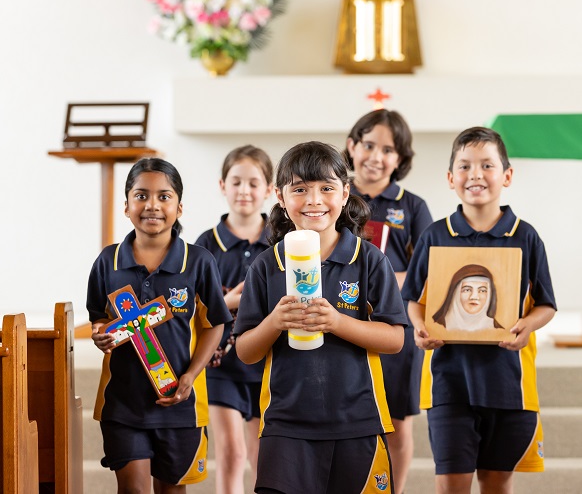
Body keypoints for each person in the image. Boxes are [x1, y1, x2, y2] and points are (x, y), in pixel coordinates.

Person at [234, 141, 408, 494]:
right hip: (286, 425)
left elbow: (395, 339)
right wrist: (274, 322)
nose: (313, 200)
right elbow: (245, 351)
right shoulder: (267, 265)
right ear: (280, 198)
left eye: (326, 188)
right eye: (300, 189)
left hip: (357, 421)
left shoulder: (369, 259)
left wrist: (337, 322)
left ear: (345, 194)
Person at [402, 127, 557, 494]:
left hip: (510, 386)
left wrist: (525, 327)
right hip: (447, 384)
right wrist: (419, 328)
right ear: (450, 178)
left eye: (487, 165)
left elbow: (547, 305)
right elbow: (414, 300)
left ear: (507, 175)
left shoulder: (526, 236)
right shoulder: (435, 235)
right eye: (465, 166)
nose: (475, 175)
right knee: (451, 485)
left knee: (497, 485)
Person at [87, 158, 232, 494]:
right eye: (141, 196)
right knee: (134, 490)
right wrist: (99, 334)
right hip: (123, 402)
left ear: (179, 207)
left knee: (171, 490)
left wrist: (191, 376)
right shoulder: (108, 261)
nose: (152, 205)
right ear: (126, 207)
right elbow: (98, 315)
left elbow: (214, 325)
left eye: (164, 196)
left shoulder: (197, 261)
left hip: (179, 403)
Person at [344, 108, 433, 494]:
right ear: (351, 146)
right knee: (347, 418)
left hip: (397, 327)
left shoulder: (412, 206)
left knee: (397, 422)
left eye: (388, 149)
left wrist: (383, 281)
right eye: (368, 145)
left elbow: (428, 271)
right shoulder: (335, 196)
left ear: (401, 159)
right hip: (343, 322)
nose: (376, 156)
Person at [195, 145, 274, 494]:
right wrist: (224, 302)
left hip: (268, 361)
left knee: (263, 456)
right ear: (222, 185)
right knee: (231, 452)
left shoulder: (284, 242)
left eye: (254, 183)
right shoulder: (204, 246)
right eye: (236, 181)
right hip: (220, 365)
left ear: (270, 190)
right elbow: (191, 308)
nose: (244, 190)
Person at [432, 263, 503, 331]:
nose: (474, 297)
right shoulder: (436, 328)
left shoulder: (498, 331)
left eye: (482, 291)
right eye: (467, 290)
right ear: (455, 293)